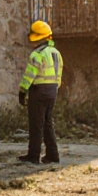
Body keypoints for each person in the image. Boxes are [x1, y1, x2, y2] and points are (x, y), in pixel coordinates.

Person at [18, 20, 63, 164]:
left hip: (38, 91)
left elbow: (29, 75)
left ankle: (33, 155)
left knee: (36, 123)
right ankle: (52, 155)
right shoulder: (56, 53)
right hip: (53, 90)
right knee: (48, 123)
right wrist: (55, 88)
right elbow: (59, 74)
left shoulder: (37, 54)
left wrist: (22, 91)